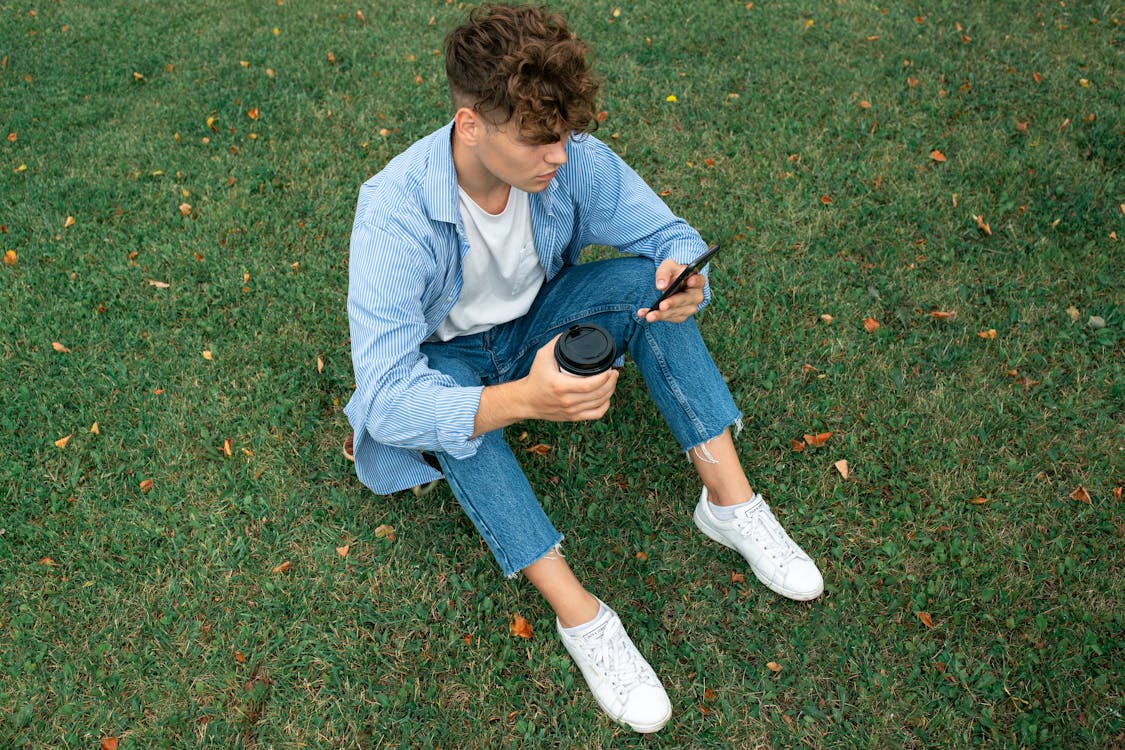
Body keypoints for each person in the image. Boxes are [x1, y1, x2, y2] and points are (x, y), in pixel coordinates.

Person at [344, 3, 823, 733]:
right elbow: (382, 398)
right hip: (451, 360)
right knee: (451, 412)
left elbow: (667, 234)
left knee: (641, 285)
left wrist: (683, 279)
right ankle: (584, 619)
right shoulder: (394, 214)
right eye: (539, 140)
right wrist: (520, 400)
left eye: (565, 134)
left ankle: (728, 505)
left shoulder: (568, 160)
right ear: (472, 126)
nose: (559, 157)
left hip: (539, 320)